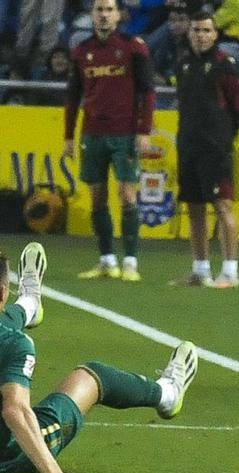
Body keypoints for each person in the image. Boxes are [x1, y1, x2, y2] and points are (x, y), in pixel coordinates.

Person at [0, 242, 199, 473]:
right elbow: (15, 410)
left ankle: (29, 304)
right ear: (3, 293)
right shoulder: (16, 344)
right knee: (93, 376)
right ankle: (167, 394)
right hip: (10, 451)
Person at [64, 0, 156, 282]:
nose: (103, 15)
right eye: (99, 10)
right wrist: (68, 135)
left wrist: (143, 130)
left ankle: (130, 261)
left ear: (118, 15)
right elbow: (72, 96)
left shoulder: (133, 47)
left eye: (108, 10)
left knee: (127, 194)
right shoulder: (82, 51)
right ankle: (106, 259)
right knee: (97, 196)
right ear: (92, 15)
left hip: (124, 133)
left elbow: (148, 92)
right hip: (92, 133)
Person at [171, 11, 239, 289]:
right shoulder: (183, 64)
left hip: (215, 149)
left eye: (206, 30)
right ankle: (200, 269)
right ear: (189, 33)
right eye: (196, 30)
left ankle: (230, 271)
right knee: (194, 207)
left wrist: (223, 135)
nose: (201, 35)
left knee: (223, 205)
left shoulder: (224, 65)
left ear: (215, 35)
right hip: (189, 146)